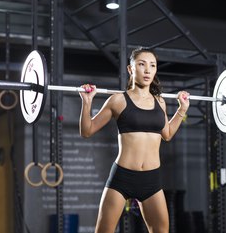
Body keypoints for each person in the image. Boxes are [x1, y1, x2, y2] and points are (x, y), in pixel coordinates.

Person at [79, 46, 190, 233]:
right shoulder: (118, 100)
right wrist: (87, 102)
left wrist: (182, 110)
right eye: (142, 64)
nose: (147, 70)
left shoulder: (160, 101)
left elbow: (167, 134)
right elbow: (87, 131)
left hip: (151, 180)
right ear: (131, 69)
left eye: (152, 65)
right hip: (123, 177)